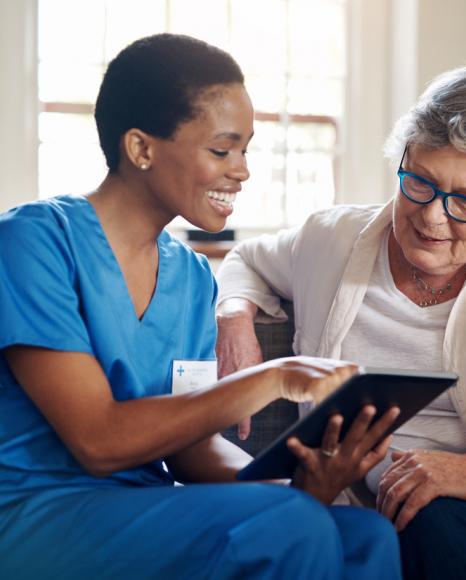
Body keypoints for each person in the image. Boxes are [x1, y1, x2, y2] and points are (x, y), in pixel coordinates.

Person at [0, 33, 403, 580]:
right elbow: (97, 440)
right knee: (291, 523)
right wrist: (273, 378)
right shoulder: (33, 242)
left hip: (144, 507)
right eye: (221, 149)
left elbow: (192, 452)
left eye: (245, 149)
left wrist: (295, 486)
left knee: (363, 535)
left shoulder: (190, 275)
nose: (241, 170)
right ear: (141, 149)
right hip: (38, 513)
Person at [216, 66, 466, 580]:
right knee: (426, 513)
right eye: (419, 183)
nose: (431, 217)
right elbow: (245, 260)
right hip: (422, 513)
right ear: (401, 159)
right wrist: (234, 319)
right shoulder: (330, 239)